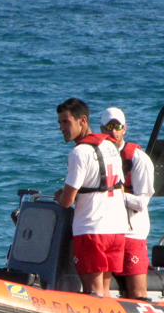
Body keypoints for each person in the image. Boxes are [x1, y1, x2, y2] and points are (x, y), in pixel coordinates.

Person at [54, 98, 129, 297]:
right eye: (60, 123)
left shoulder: (79, 153)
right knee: (104, 291)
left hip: (91, 230)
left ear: (82, 120)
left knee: (93, 292)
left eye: (66, 122)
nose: (61, 128)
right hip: (116, 229)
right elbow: (120, 187)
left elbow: (67, 201)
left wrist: (58, 197)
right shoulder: (111, 146)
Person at [100, 107, 156, 299]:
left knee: (137, 292)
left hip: (132, 234)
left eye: (117, 127)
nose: (113, 131)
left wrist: (116, 194)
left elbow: (141, 203)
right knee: (100, 288)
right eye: (109, 127)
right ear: (101, 129)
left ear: (125, 129)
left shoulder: (140, 160)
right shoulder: (96, 156)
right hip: (105, 232)